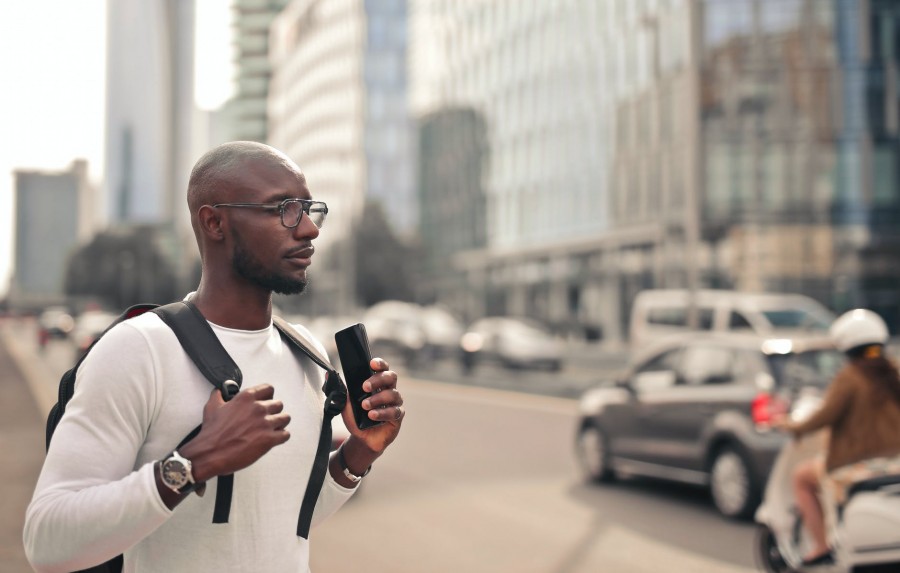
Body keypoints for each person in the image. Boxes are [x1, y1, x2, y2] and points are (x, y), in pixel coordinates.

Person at [23, 141, 406, 572]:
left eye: (307, 208)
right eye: (282, 208)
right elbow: (47, 542)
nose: (308, 229)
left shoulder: (307, 354)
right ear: (214, 222)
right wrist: (195, 462)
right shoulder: (140, 349)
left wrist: (357, 455)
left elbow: (275, 525)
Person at [777, 308, 900, 567]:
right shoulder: (894, 372)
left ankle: (822, 547)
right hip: (897, 462)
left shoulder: (850, 377)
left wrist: (791, 426)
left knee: (801, 477)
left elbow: (824, 416)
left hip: (856, 464)